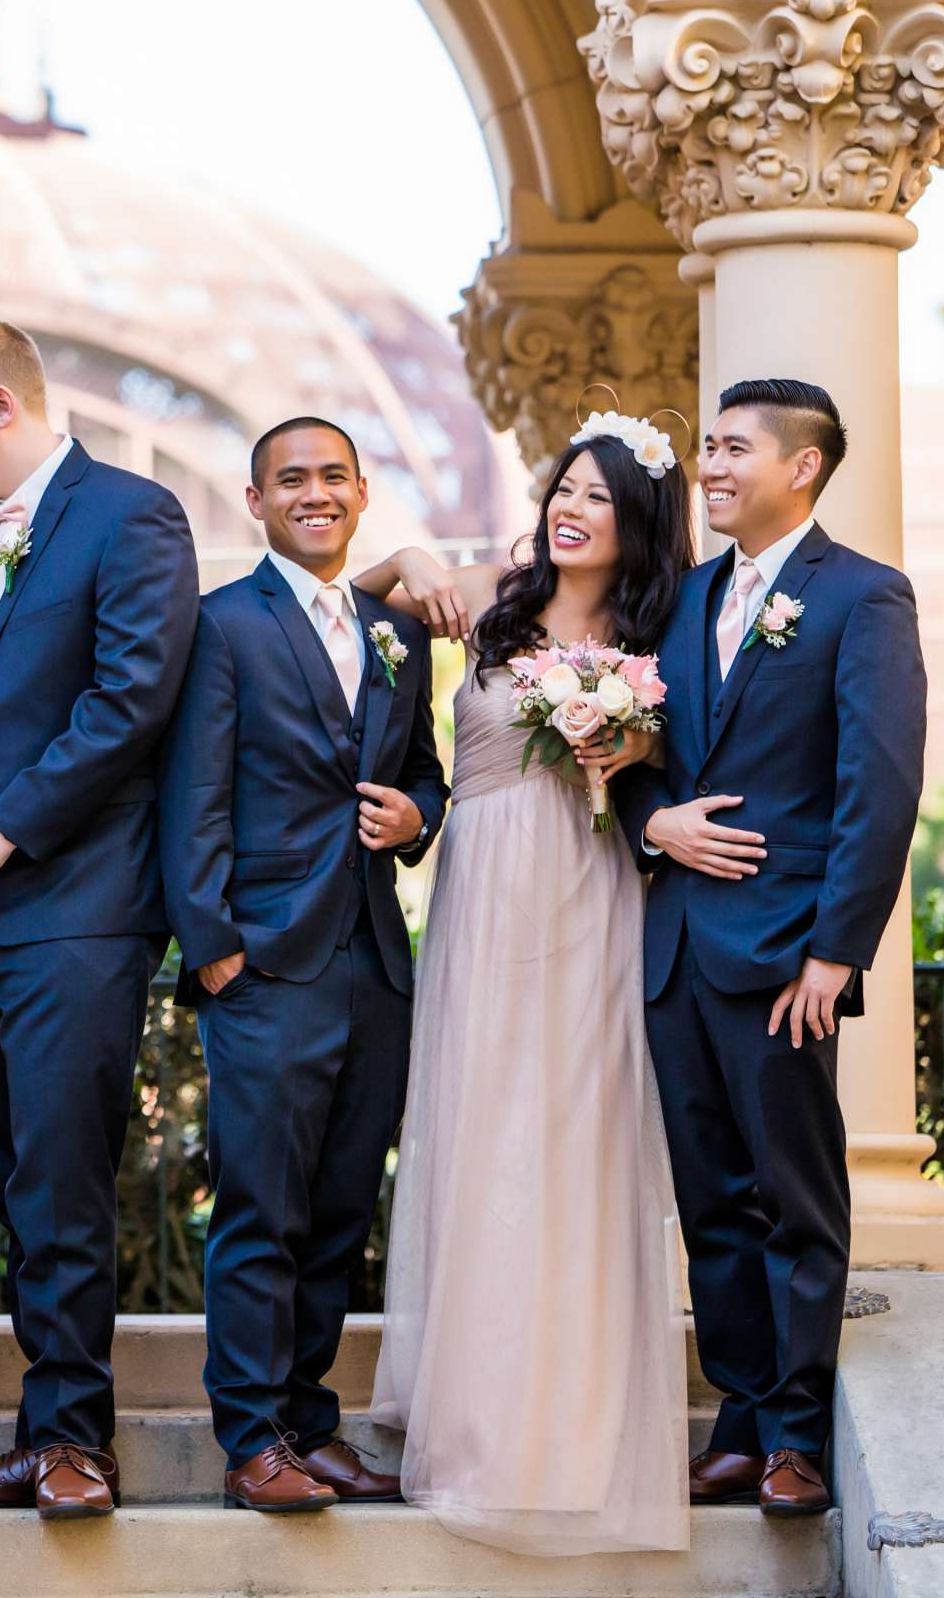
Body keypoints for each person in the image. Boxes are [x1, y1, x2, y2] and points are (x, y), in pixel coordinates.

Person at [359, 413, 694, 1553]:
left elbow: (700, 752)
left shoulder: (668, 630)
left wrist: (645, 756)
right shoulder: (486, 599)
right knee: (481, 1132)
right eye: (566, 486)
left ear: (636, 521)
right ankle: (471, 1427)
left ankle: (572, 1435)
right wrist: (403, 560)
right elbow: (331, 609)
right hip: (481, 894)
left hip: (591, 889)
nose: (571, 507)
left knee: (577, 1141)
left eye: (599, 497)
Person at [0, 316, 199, 1520]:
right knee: (9, 1170)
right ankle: (40, 1425)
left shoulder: (134, 517)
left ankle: (76, 1439)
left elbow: (129, 703)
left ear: (6, 405)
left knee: (67, 1174)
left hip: (76, 908)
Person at [615, 378, 924, 1518]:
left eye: (735, 447)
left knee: (796, 1198)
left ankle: (797, 1434)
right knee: (710, 1204)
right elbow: (640, 753)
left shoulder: (863, 598)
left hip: (790, 956)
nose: (712, 464)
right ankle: (741, 1417)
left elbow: (878, 786)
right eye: (707, 444)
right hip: (678, 949)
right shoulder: (681, 598)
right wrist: (652, 819)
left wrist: (834, 953)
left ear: (802, 466)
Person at [156, 417, 448, 1516]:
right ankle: (249, 1439)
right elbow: (192, 799)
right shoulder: (220, 625)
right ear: (256, 500)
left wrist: (419, 808)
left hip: (375, 957)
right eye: (293, 479)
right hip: (266, 963)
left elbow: (424, 766)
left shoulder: (398, 632)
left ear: (362, 493)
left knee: (337, 1209)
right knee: (261, 1209)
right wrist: (218, 950)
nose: (314, 493)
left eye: (332, 476)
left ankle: (311, 1421)